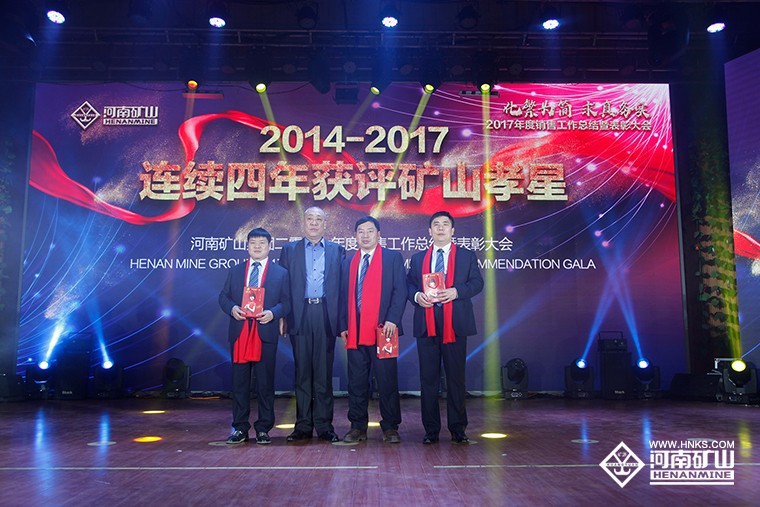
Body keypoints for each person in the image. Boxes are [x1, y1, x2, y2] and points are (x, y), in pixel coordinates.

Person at [406, 211, 484, 445]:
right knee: (428, 380)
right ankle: (431, 430)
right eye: (436, 225)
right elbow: (409, 285)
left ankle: (458, 429)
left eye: (445, 224)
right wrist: (417, 296)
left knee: (455, 379)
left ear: (453, 230)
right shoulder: (419, 258)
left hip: (455, 324)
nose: (440, 228)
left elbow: (477, 283)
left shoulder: (466, 256)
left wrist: (456, 292)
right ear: (429, 231)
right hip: (426, 324)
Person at [278, 207, 345, 443]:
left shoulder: (337, 250)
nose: (314, 223)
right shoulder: (289, 250)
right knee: (303, 372)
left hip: (325, 314)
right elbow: (283, 286)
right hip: (300, 314)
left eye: (318, 220)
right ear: (303, 223)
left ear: (325, 224)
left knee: (323, 373)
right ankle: (303, 425)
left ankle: (325, 426)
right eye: (310, 219)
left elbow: (342, 289)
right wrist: (283, 316)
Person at [219, 227, 291, 445]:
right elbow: (223, 297)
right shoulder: (236, 270)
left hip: (264, 333)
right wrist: (232, 309)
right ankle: (240, 428)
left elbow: (287, 302)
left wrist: (273, 313)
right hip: (240, 332)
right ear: (247, 246)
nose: (257, 246)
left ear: (270, 246)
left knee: (265, 384)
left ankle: (263, 428)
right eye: (253, 243)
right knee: (240, 383)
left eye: (262, 243)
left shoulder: (280, 273)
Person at [339, 216, 407, 443]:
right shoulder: (348, 262)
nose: (365, 235)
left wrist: (392, 320)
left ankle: (390, 427)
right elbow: (342, 297)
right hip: (355, 330)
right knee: (356, 382)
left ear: (379, 234)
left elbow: (400, 291)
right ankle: (358, 426)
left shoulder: (392, 258)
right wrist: (343, 325)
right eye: (361, 231)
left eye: (370, 231)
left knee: (386, 380)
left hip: (384, 330)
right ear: (355, 236)